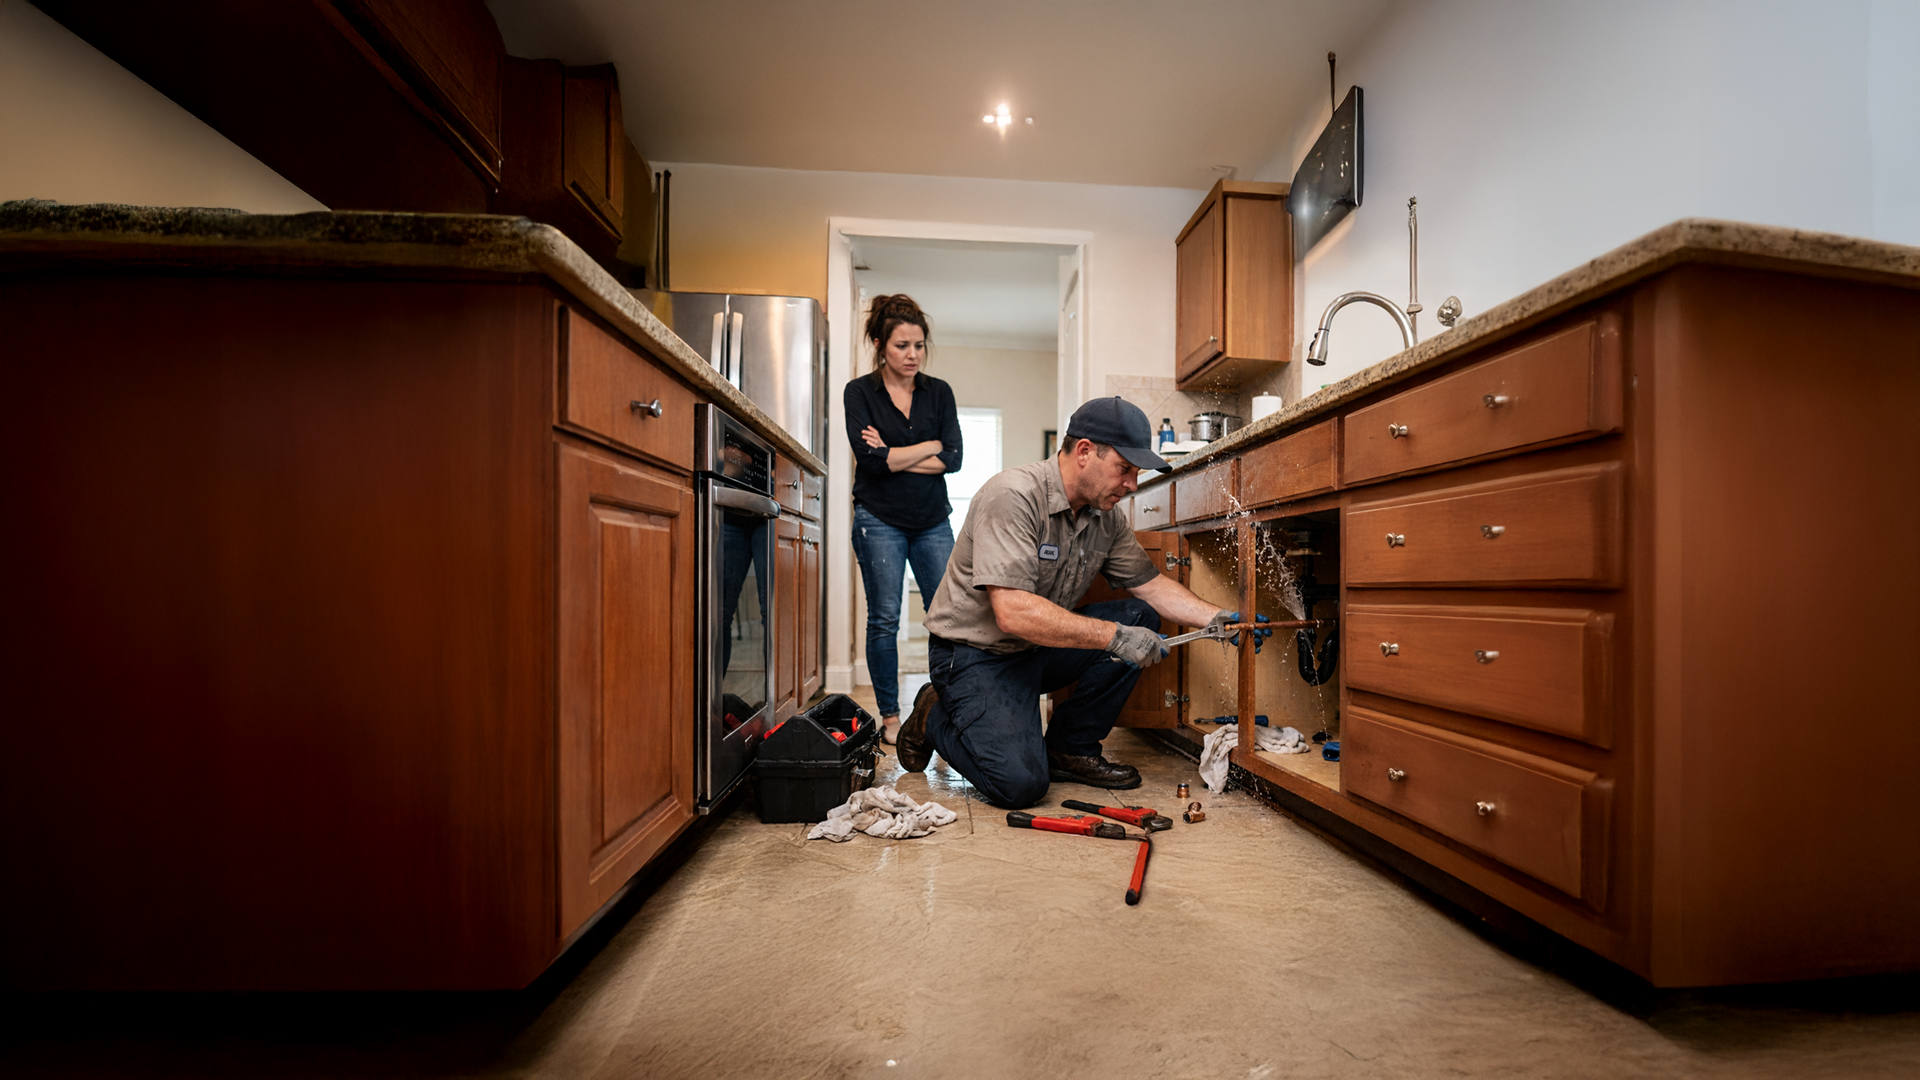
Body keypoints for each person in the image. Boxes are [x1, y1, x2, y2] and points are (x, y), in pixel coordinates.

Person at [898, 396, 1270, 808]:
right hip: (972, 656)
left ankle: (1070, 748)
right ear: (1085, 451)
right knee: (1020, 786)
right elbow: (1013, 611)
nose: (1131, 484)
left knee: (1139, 615)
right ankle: (932, 714)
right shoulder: (1013, 496)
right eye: (1124, 470)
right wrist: (1113, 637)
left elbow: (1150, 586)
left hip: (1034, 652)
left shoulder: (1105, 518)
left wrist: (1216, 617)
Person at [843, 294, 963, 745]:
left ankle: (952, 703)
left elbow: (954, 458)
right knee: (884, 620)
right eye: (901, 346)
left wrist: (893, 453)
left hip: (932, 520)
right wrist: (927, 446)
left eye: (919, 345)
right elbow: (871, 464)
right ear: (879, 344)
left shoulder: (940, 392)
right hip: (879, 519)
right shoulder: (859, 393)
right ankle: (891, 718)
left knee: (949, 615)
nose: (912, 355)